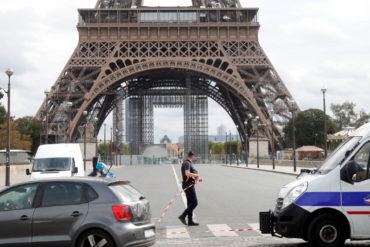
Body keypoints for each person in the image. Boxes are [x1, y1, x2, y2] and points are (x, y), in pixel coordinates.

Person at [178, 151, 203, 226]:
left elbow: (190, 175)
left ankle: (190, 220)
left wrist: (197, 178)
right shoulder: (187, 163)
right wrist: (196, 175)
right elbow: (187, 173)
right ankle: (183, 215)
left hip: (189, 184)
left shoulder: (188, 163)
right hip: (188, 185)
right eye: (193, 156)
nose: (194, 157)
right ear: (192, 156)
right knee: (194, 202)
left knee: (190, 203)